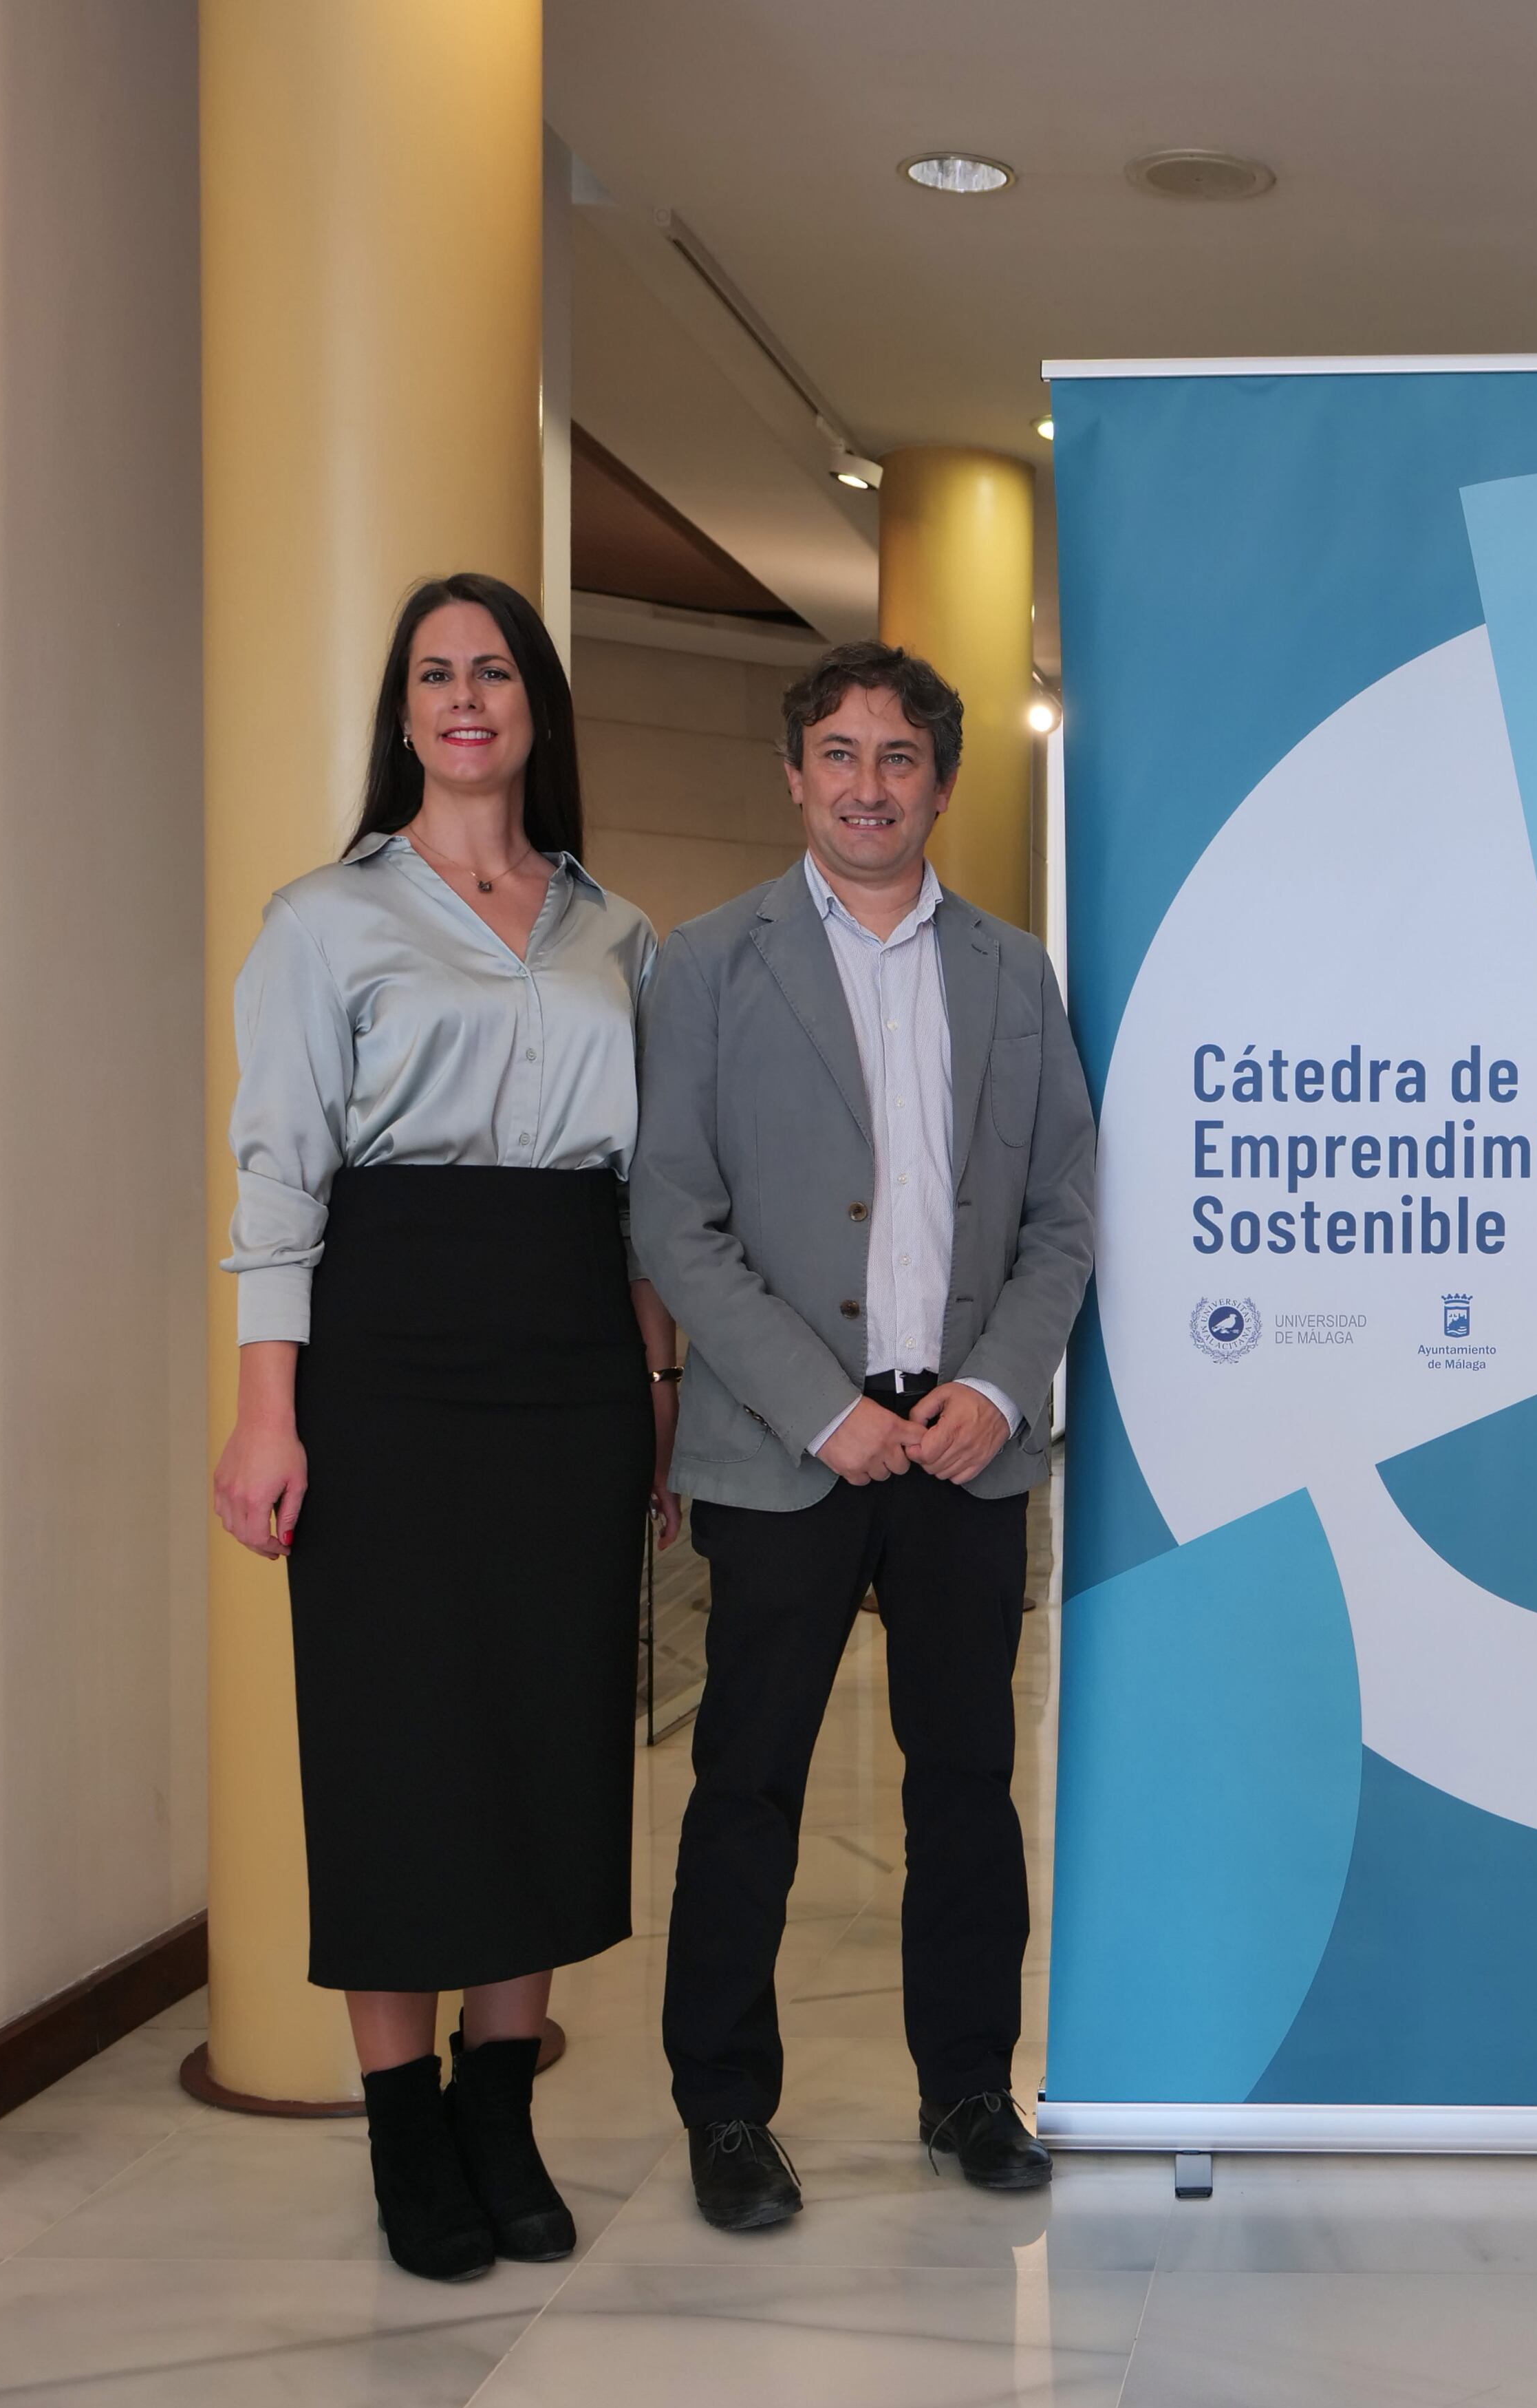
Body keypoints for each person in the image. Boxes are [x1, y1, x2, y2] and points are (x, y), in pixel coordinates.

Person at [211, 571, 679, 2282]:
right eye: (434, 675)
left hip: (569, 1356)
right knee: (398, 1744)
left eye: (493, 670)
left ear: (535, 704)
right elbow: (278, 1180)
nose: (466, 697)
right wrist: (268, 1410)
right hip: (386, 1355)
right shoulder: (323, 920)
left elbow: (647, 1205)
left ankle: (504, 2106)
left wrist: (655, 1407)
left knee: (547, 1735)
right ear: (403, 716)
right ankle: (407, 2128)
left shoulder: (620, 933)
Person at [634, 639, 1095, 2224]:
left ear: (943, 784)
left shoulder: (1014, 975)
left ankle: (968, 2085)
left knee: (966, 1781)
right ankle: (724, 2109)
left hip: (966, 1440)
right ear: (793, 776)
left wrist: (994, 1385)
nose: (867, 785)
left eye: (898, 758)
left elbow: (1063, 1213)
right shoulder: (702, 965)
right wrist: (824, 1407)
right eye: (838, 753)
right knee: (746, 1783)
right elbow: (674, 1220)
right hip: (789, 1444)